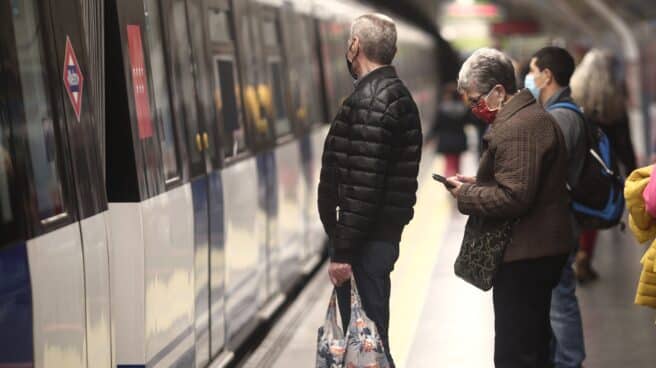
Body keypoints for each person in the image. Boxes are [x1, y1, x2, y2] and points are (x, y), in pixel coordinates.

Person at [447, 48, 572, 368]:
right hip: (534, 250)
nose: (474, 109)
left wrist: (466, 195)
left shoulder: (519, 127)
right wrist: (478, 181)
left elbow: (515, 196)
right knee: (531, 343)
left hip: (526, 254)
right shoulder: (524, 118)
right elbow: (521, 177)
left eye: (475, 100)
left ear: (499, 91)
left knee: (516, 353)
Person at [317, 13, 422, 367]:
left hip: (365, 244)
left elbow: (363, 184)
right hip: (377, 238)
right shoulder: (391, 94)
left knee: (368, 344)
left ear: (355, 46)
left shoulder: (372, 100)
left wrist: (343, 252)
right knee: (370, 338)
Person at [526, 46, 586, 368]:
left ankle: (569, 361)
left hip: (559, 224)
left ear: (547, 75)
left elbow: (544, 171)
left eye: (534, 71)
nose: (530, 78)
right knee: (555, 297)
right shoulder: (560, 112)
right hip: (559, 221)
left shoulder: (561, 118)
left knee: (560, 301)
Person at [570, 49, 638, 282]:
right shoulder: (616, 104)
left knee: (573, 214)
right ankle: (585, 257)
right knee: (591, 214)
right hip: (602, 171)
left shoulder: (573, 100)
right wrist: (633, 175)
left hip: (575, 167)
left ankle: (572, 255)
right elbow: (624, 145)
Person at [428, 82, 468, 176]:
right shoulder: (463, 109)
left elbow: (436, 126)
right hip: (459, 140)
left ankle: (450, 183)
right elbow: (470, 122)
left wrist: (428, 138)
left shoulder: (442, 109)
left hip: (446, 141)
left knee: (449, 164)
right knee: (457, 164)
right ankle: (458, 181)